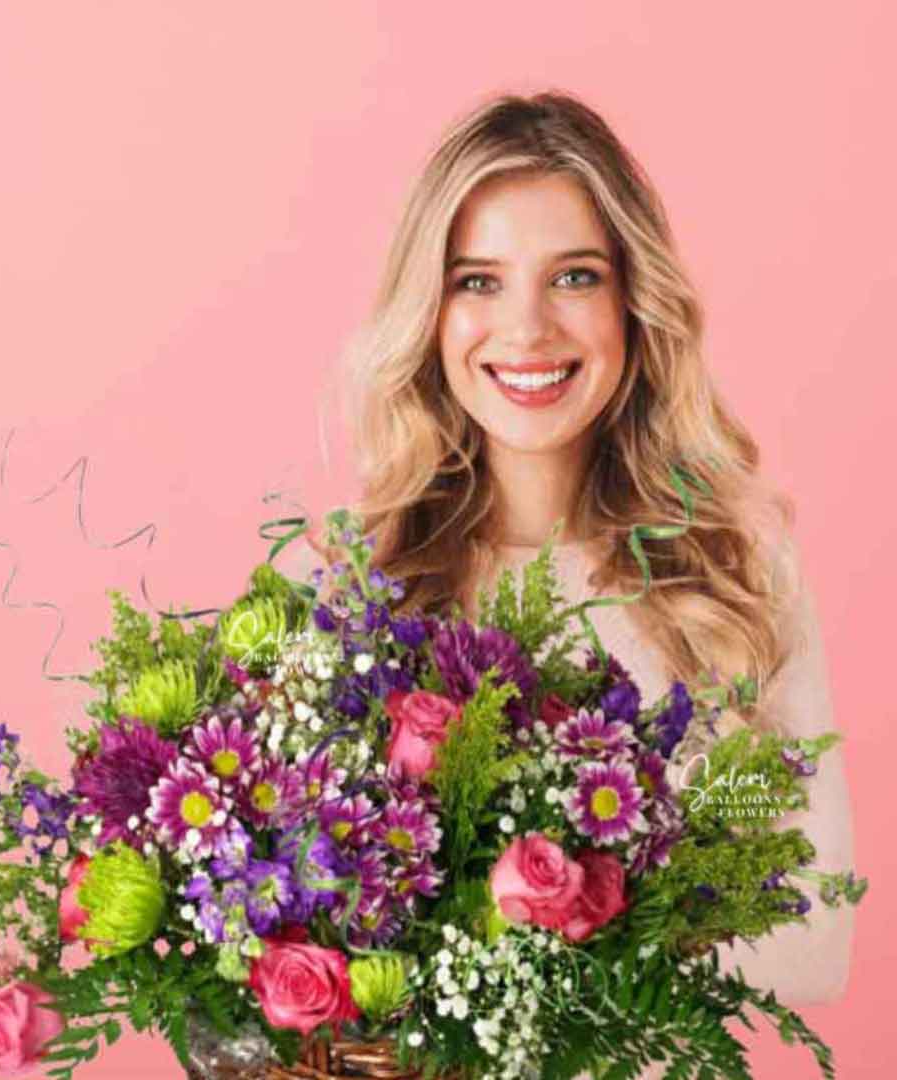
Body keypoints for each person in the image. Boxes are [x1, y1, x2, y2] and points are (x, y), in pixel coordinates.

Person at [277, 90, 854, 1073]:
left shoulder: (734, 576)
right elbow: (278, 925)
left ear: (634, 298)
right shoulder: (345, 586)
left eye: (574, 275)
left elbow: (814, 939)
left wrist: (496, 931)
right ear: (431, 308)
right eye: (479, 280)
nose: (528, 328)